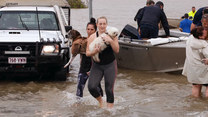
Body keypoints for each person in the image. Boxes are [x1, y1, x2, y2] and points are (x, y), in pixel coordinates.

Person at [86, 16, 119, 109]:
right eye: (100, 24)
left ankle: (109, 112)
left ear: (107, 25)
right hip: (97, 65)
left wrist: (110, 41)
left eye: (104, 24)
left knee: (109, 89)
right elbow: (88, 53)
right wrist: (95, 52)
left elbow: (117, 50)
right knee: (91, 87)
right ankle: (101, 101)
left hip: (110, 65)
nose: (102, 26)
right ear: (97, 25)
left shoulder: (112, 35)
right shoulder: (92, 37)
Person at [76, 18, 103, 98]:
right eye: (88, 29)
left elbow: (100, 58)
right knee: (79, 90)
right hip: (83, 68)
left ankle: (103, 105)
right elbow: (79, 55)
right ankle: (77, 107)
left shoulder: (98, 42)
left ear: (95, 30)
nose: (89, 31)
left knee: (98, 90)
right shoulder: (83, 41)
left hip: (94, 69)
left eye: (92, 29)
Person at [182, 26, 208, 98]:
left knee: (196, 85)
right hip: (204, 68)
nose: (205, 36)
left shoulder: (190, 39)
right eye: (204, 35)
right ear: (199, 37)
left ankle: (195, 103)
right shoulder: (204, 44)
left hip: (192, 68)